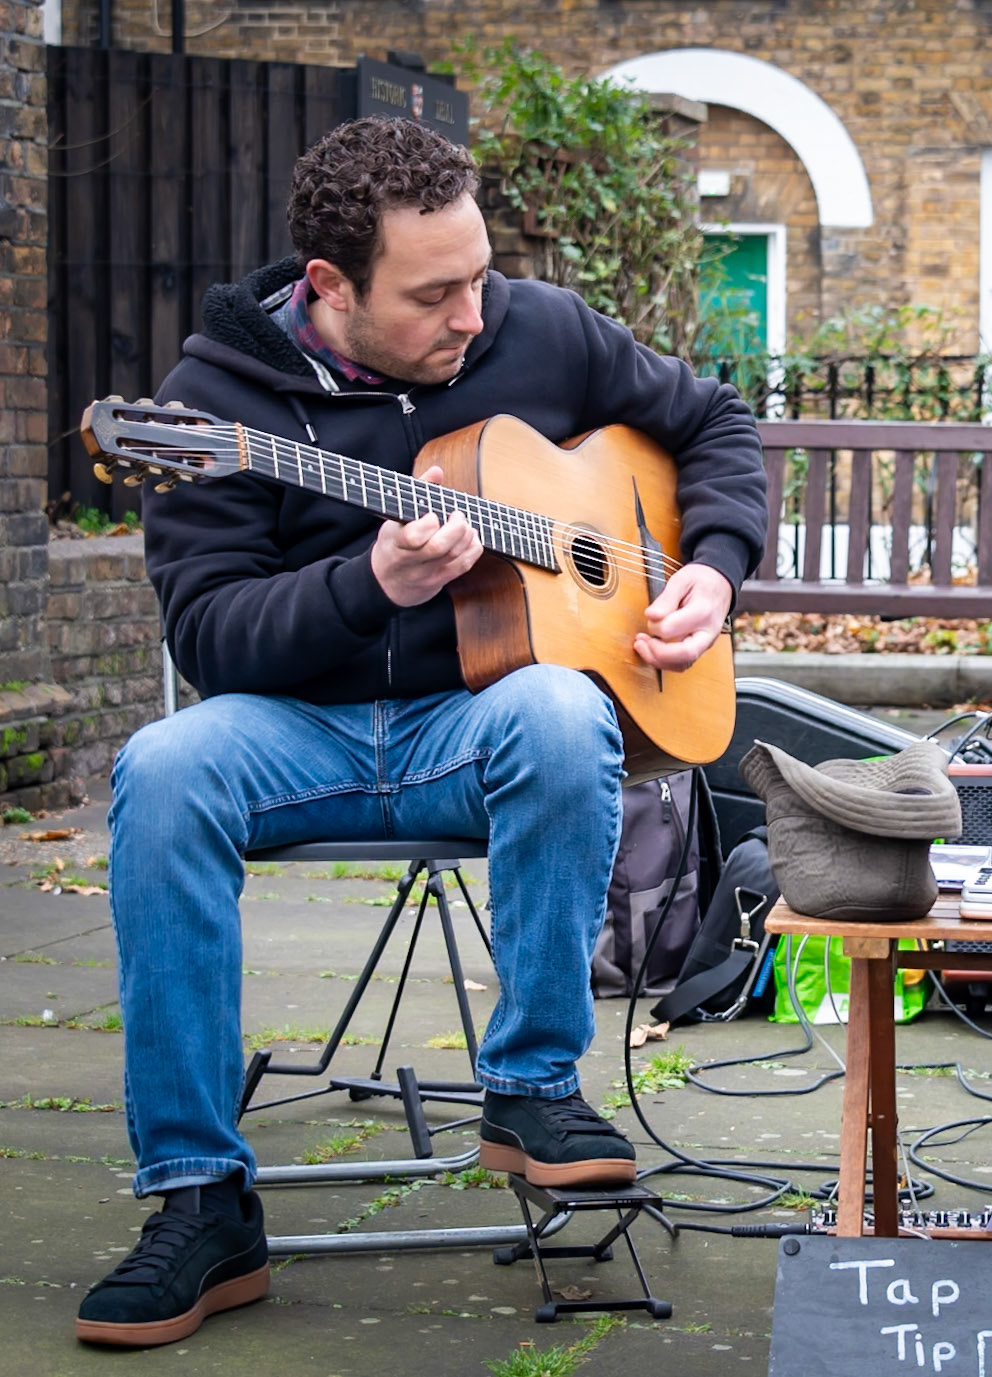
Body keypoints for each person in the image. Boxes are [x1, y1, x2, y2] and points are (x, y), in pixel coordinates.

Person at [77, 116, 766, 1347]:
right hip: (299, 735)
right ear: (331, 287)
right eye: (434, 293)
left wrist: (711, 565)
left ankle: (532, 1092)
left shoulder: (537, 329)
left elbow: (711, 422)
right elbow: (214, 640)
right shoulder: (215, 406)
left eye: (480, 276)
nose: (471, 315)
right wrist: (370, 587)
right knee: (163, 766)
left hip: (478, 727)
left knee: (560, 708)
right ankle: (196, 1195)